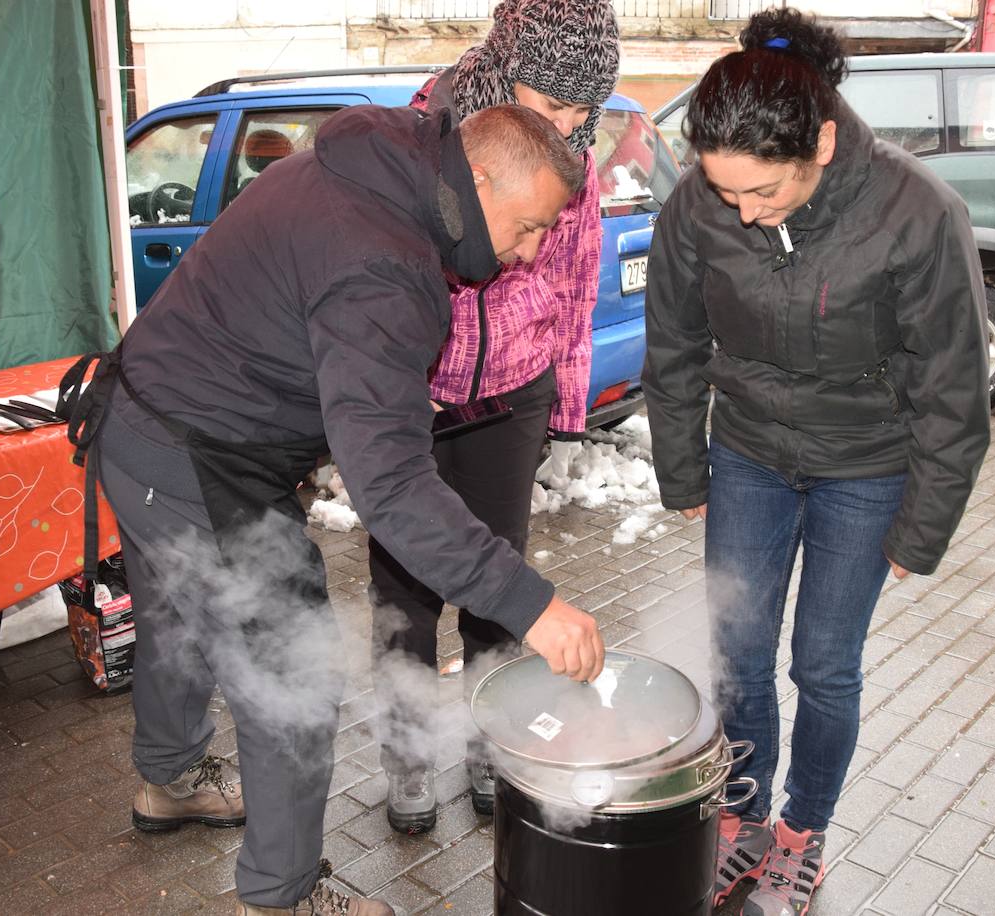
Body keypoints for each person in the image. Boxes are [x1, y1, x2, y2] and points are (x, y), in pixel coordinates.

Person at [62, 103, 604, 916]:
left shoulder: (381, 161)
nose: (527, 253)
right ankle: (282, 895)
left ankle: (171, 781)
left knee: (178, 614)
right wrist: (533, 604)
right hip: (199, 456)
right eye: (526, 229)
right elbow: (390, 488)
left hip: (141, 418)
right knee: (295, 672)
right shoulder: (388, 263)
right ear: (479, 176)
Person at [642, 10, 990, 916]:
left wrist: (923, 528)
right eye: (727, 196)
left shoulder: (919, 215)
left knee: (825, 666)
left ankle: (802, 831)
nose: (743, 213)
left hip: (868, 468)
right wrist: (683, 471)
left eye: (763, 193)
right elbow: (673, 345)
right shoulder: (700, 204)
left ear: (823, 143)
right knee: (739, 653)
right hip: (749, 453)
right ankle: (740, 818)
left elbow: (954, 393)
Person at [368, 0, 620, 834]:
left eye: (584, 116)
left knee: (500, 587)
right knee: (405, 589)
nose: (568, 131)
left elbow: (578, 283)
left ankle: (489, 745)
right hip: (422, 394)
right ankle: (407, 758)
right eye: (552, 108)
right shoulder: (423, 132)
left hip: (515, 392)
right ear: (505, 65)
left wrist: (567, 402)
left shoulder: (575, 159)